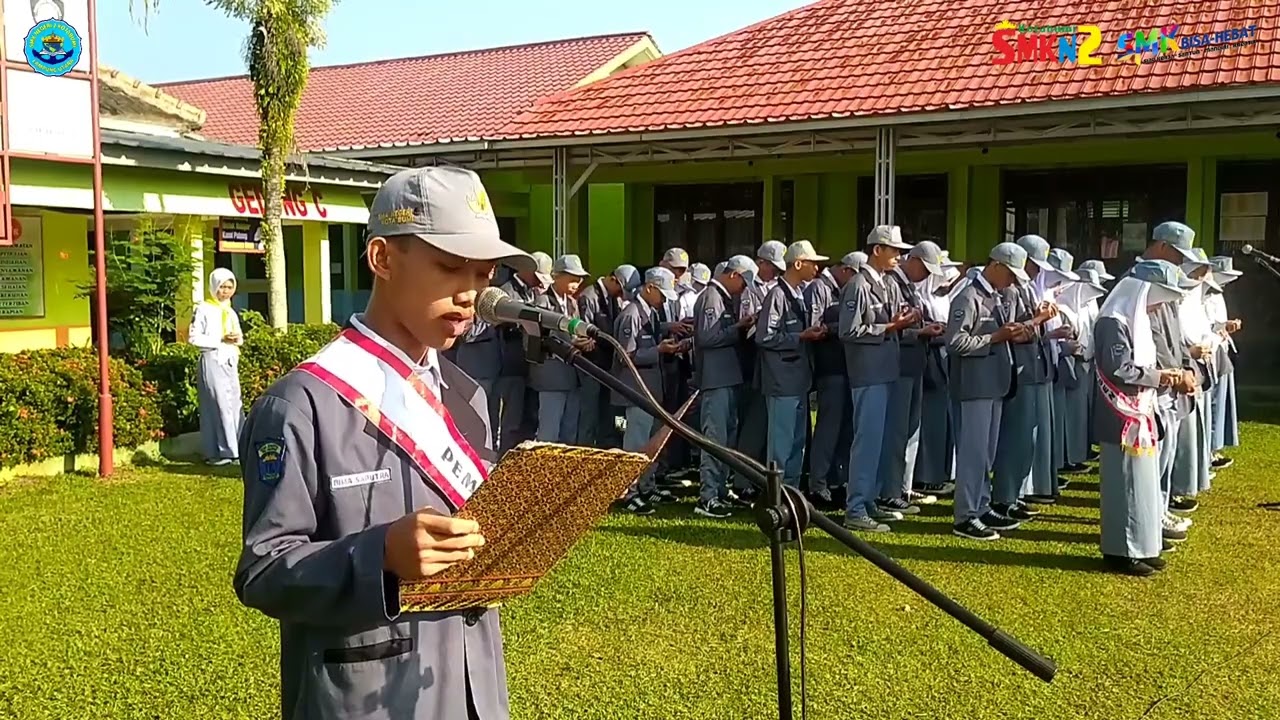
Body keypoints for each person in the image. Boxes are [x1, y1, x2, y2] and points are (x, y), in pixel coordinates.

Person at [235, 165, 529, 719]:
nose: (469, 294)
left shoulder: (466, 396)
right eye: (449, 267)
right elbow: (264, 571)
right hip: (365, 695)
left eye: (483, 274)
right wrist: (380, 556)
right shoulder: (301, 405)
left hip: (472, 688)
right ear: (382, 260)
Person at [1094, 259, 1188, 576]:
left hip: (1139, 411)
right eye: (1156, 300)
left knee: (1142, 483)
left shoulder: (1132, 319)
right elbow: (1118, 368)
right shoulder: (1113, 321)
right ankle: (1121, 551)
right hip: (1119, 415)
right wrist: (1161, 377)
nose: (1156, 307)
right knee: (1124, 484)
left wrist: (1158, 377)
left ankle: (1144, 545)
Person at [945, 243, 1030, 541]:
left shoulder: (995, 296)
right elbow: (955, 343)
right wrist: (997, 336)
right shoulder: (968, 297)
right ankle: (965, 515)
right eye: (1010, 274)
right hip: (974, 386)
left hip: (993, 384)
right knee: (973, 453)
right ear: (996, 266)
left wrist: (1013, 334)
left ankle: (980, 505)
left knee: (985, 453)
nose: (1013, 282)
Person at [840, 226, 918, 532]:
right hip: (867, 373)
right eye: (893, 250)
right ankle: (855, 508)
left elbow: (893, 320)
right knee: (867, 442)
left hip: (886, 370)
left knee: (880, 441)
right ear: (876, 250)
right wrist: (887, 328)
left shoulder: (888, 284)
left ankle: (869, 501)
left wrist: (904, 322)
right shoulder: (858, 285)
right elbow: (848, 331)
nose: (898, 256)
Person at [1139, 222, 1201, 543]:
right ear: (1161, 247)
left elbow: (1176, 336)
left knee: (1168, 452)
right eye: (1177, 254)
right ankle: (1152, 513)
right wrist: (1173, 375)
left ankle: (1161, 506)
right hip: (1157, 385)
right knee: (1156, 454)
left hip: (1174, 382)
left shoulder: (1168, 281)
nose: (1180, 262)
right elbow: (1152, 340)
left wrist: (1188, 369)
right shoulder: (1140, 281)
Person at [992, 235, 1063, 513]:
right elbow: (1013, 332)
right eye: (1033, 265)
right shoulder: (1011, 290)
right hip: (1019, 371)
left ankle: (1016, 493)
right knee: (1014, 438)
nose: (1036, 271)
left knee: (1026, 439)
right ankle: (1004, 496)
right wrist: (1038, 320)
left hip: (1033, 368)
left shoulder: (1029, 288)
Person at [880, 241, 947, 513]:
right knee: (896, 433)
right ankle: (889, 490)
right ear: (915, 260)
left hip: (915, 364)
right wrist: (920, 332)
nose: (928, 276)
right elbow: (889, 327)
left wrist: (926, 329)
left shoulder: (908, 286)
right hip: (899, 366)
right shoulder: (893, 283)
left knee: (910, 432)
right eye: (926, 269)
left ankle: (902, 487)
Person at [614, 267, 684, 516]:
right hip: (637, 391)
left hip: (651, 390)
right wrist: (658, 350)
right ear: (649, 288)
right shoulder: (632, 314)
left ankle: (646, 485)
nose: (664, 300)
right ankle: (629, 493)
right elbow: (625, 355)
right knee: (635, 443)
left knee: (651, 442)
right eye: (662, 294)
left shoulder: (650, 313)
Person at [759, 240, 828, 490]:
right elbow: (765, 336)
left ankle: (792, 493)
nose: (817, 270)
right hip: (782, 381)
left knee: (797, 441)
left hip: (798, 379)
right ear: (797, 264)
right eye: (812, 264)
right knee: (781, 442)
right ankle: (775, 496)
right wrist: (800, 337)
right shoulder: (777, 295)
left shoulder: (797, 294)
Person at [692, 255, 757, 517]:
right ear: (733, 275)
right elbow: (707, 337)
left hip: (727, 377)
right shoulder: (711, 297)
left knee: (726, 437)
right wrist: (738, 328)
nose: (743, 288)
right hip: (715, 379)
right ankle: (707, 497)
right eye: (743, 282)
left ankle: (719, 489)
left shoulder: (723, 298)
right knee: (715, 439)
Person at [803, 251, 864, 505]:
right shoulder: (820, 288)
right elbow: (816, 328)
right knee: (828, 428)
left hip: (847, 368)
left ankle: (836, 480)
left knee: (845, 429)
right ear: (847, 271)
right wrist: (844, 326)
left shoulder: (840, 292)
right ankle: (817, 483)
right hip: (831, 369)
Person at [733, 240, 787, 495]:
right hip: (751, 363)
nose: (774, 272)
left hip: (772, 365)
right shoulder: (748, 290)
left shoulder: (779, 287)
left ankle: (761, 479)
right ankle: (743, 481)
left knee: (769, 426)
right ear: (760, 263)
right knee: (753, 424)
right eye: (770, 266)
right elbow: (749, 330)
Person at [1171, 249, 1219, 513]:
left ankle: (1184, 485)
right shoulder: (1178, 299)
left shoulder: (1194, 298)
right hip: (1178, 374)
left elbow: (1201, 328)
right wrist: (1192, 352)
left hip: (1194, 371)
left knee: (1190, 432)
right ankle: (1174, 491)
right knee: (1178, 436)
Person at [576, 264, 641, 449]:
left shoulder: (612, 299)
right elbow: (583, 333)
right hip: (591, 367)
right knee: (589, 417)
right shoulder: (589, 297)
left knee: (609, 417)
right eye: (620, 290)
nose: (621, 295)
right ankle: (584, 459)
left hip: (608, 369)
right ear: (613, 279)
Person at [529, 254, 590, 444]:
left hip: (572, 375)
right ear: (557, 276)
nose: (576, 284)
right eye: (572, 279)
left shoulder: (572, 303)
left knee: (569, 431)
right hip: (551, 377)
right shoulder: (542, 303)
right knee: (549, 432)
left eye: (579, 280)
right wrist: (570, 344)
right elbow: (534, 339)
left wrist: (583, 341)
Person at [1054, 264, 1108, 475]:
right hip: (1071, 363)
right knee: (1070, 414)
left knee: (1081, 412)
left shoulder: (1083, 307)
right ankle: (1069, 456)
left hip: (1086, 362)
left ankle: (1078, 452)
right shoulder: (1065, 308)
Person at [495, 251, 551, 453]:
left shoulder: (534, 292)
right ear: (527, 271)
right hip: (510, 365)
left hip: (530, 368)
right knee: (511, 421)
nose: (539, 283)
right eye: (537, 277)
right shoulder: (506, 292)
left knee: (529, 419)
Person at [189, 268, 244, 466]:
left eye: (229, 287)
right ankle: (221, 451)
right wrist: (220, 338)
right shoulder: (204, 308)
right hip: (212, 358)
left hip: (229, 360)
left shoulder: (229, 311)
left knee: (234, 404)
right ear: (214, 287)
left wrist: (235, 340)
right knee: (217, 403)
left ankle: (238, 446)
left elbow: (238, 336)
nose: (226, 291)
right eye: (222, 287)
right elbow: (194, 337)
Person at [916, 256, 961, 497]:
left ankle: (941, 473)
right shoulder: (922, 298)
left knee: (944, 421)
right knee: (929, 423)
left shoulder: (941, 299)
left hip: (944, 362)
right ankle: (926, 476)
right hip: (930, 361)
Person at [1205, 255, 1243, 467]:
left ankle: (1215, 447)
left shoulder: (1218, 295)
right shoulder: (1201, 295)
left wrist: (1226, 326)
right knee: (1212, 401)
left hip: (1222, 348)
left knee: (1220, 402)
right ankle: (1208, 451)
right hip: (1210, 351)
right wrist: (1221, 327)